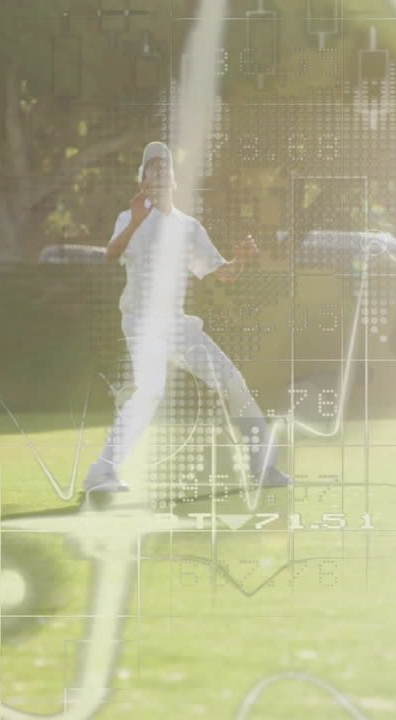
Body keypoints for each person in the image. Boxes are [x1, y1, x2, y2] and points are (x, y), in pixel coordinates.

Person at [85, 141, 291, 499]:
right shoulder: (129, 217)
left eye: (164, 166)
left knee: (233, 382)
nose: (160, 171)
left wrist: (241, 259)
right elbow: (111, 254)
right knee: (150, 392)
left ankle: (263, 466)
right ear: (142, 182)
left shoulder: (189, 227)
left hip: (178, 326)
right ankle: (102, 472)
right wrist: (135, 222)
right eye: (152, 167)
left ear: (174, 179)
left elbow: (224, 274)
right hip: (142, 324)